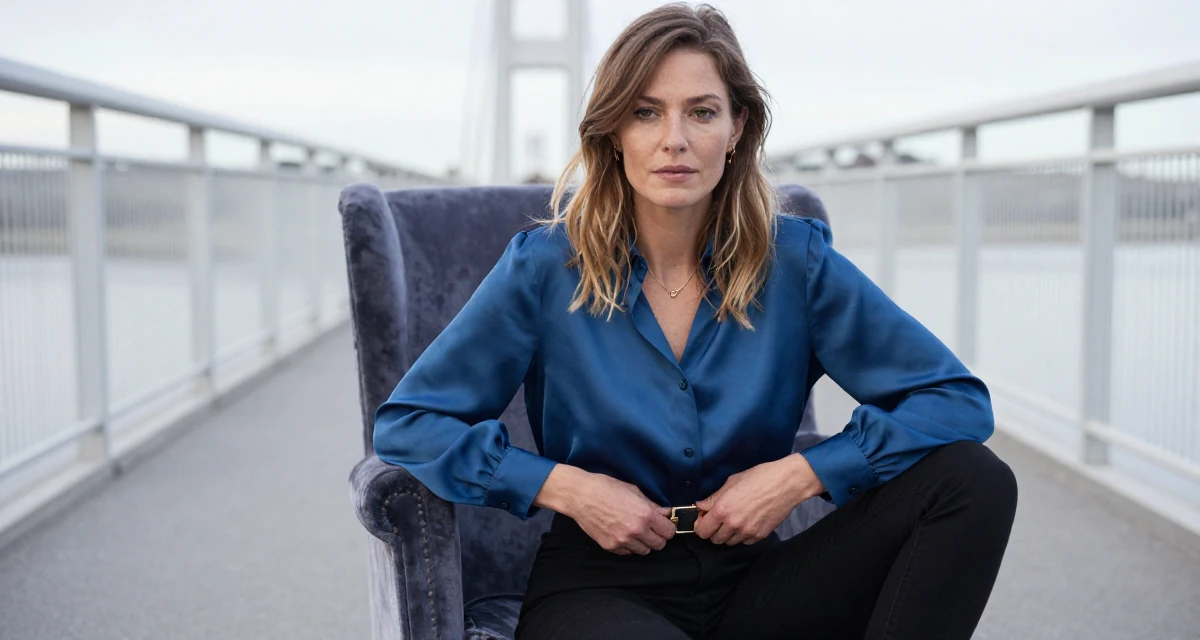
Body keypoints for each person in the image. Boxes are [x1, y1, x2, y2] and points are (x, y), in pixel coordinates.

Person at [372, 3, 1018, 638]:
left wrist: (802, 474)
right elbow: (410, 425)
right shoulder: (546, 266)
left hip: (759, 580)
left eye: (701, 112)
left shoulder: (797, 261)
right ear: (613, 133)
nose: (673, 139)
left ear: (738, 128)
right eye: (646, 113)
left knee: (972, 480)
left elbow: (955, 402)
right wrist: (565, 488)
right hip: (600, 584)